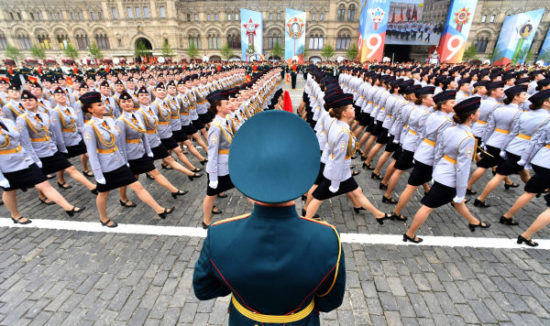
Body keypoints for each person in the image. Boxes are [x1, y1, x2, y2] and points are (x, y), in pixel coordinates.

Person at [193, 110, 345, 325]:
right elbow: (330, 300)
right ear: (299, 175)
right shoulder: (328, 237)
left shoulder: (219, 234)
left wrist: (239, 282)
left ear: (248, 178)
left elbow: (204, 289)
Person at [81, 91, 175, 227]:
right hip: (106, 166)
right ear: (90, 109)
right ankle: (103, 217)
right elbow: (92, 153)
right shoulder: (89, 127)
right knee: (103, 193)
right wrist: (98, 174)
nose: (103, 106)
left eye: (102, 103)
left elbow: (118, 141)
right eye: (99, 105)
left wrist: (124, 159)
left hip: (118, 162)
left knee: (137, 186)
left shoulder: (109, 120)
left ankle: (159, 210)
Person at [404, 97, 491, 243]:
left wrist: (436, 170)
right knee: (427, 207)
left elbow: (439, 152)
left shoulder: (450, 130)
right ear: (471, 116)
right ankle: (410, 233)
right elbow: (463, 169)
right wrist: (462, 191)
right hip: (449, 178)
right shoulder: (468, 138)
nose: (479, 113)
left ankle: (473, 221)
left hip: (442, 171)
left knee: (456, 202)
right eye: (477, 111)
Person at [304, 92, 388, 223]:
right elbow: (338, 158)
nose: (354, 109)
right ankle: (304, 221)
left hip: (341, 171)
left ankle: (378, 214)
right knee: (318, 198)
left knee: (357, 192)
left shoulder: (336, 124)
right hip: (336, 174)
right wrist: (335, 183)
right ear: (344, 113)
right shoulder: (343, 133)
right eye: (350, 108)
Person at [0, 99, 85, 224]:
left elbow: (22, 141)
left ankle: (68, 207)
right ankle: (15, 215)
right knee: (10, 191)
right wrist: (1, 178)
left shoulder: (8, 122)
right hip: (7, 166)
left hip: (25, 160)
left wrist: (33, 159)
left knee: (44, 184)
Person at [474, 85, 544, 208]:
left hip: (503, 144)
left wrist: (486, 141)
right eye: (523, 95)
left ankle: (531, 187)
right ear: (515, 97)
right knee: (498, 172)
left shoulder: (516, 112)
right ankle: (480, 198)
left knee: (518, 171)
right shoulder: (522, 113)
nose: (525, 97)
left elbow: (495, 128)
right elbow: (535, 140)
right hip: (519, 149)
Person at [115, 90, 188, 207]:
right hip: (130, 155)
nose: (127, 103)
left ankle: (174, 190)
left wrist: (148, 151)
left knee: (154, 172)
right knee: (129, 178)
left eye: (129, 101)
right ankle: (123, 198)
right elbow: (120, 143)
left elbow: (143, 135)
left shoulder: (137, 115)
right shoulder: (120, 121)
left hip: (141, 152)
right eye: (124, 102)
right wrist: (124, 160)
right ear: (120, 104)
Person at [391, 90, 455, 221]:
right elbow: (439, 145)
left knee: (415, 182)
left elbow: (421, 133)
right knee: (411, 186)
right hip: (429, 156)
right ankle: (396, 211)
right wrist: (438, 163)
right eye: (452, 102)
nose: (455, 104)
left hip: (423, 151)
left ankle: (455, 199)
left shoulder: (431, 115)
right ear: (443, 105)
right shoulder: (446, 121)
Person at [494, 90, 550, 225]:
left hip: (539, 159)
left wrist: (528, 159)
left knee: (529, 185)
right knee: (530, 191)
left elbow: (536, 141)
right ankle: (508, 217)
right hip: (546, 163)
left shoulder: (532, 116)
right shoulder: (546, 118)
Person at [202, 91, 234, 228]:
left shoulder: (226, 122)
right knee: (211, 195)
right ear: (218, 108)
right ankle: (206, 221)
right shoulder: (215, 127)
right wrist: (213, 177)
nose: (230, 105)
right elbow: (212, 154)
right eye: (227, 103)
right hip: (220, 169)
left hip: (229, 166)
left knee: (245, 187)